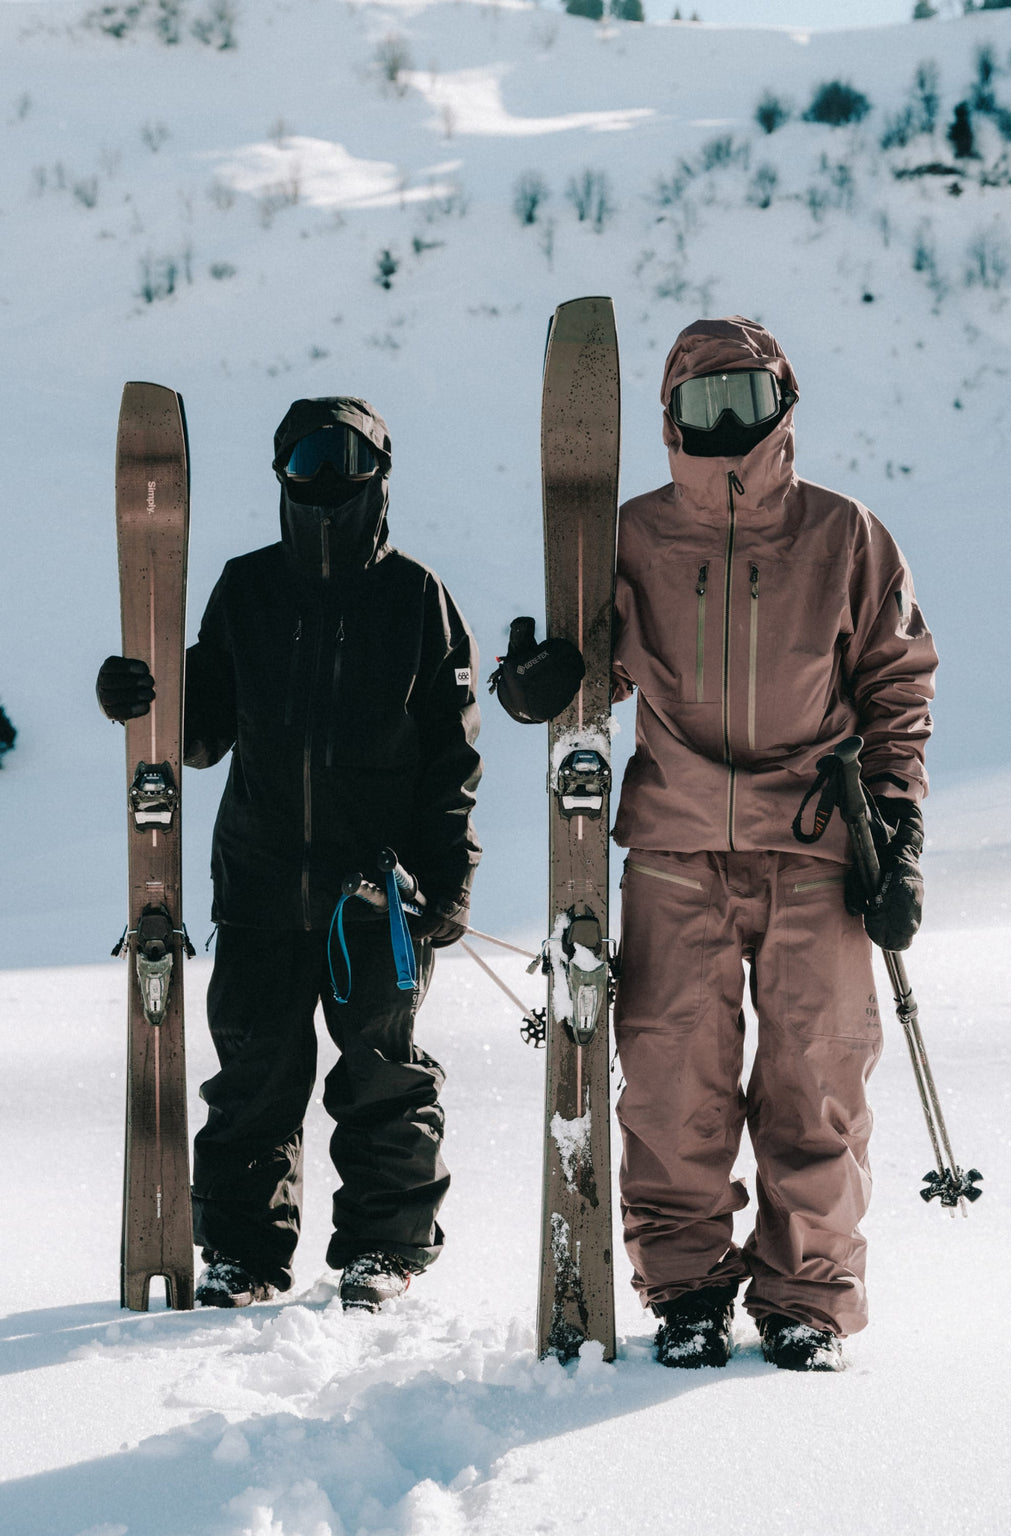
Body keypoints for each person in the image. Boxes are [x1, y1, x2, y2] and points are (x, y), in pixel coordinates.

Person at [495, 317, 936, 1371]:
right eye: (702, 406)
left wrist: (899, 831)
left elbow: (895, 687)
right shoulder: (635, 536)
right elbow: (589, 674)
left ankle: (807, 1299)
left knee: (815, 1078)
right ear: (668, 419)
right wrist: (539, 685)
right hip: (674, 847)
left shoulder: (844, 534)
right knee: (670, 1078)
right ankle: (687, 1290)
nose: (726, 426)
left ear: (784, 404)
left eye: (744, 400)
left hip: (817, 844)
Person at [98, 396, 482, 1312]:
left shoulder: (414, 597)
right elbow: (201, 737)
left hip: (374, 898)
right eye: (305, 459)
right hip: (263, 885)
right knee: (254, 1084)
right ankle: (242, 1254)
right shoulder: (247, 588)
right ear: (280, 473)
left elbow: (452, 760)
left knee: (382, 1078)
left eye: (343, 458)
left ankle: (382, 1252)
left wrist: (450, 881)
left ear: (377, 472)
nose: (323, 478)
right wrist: (140, 697)